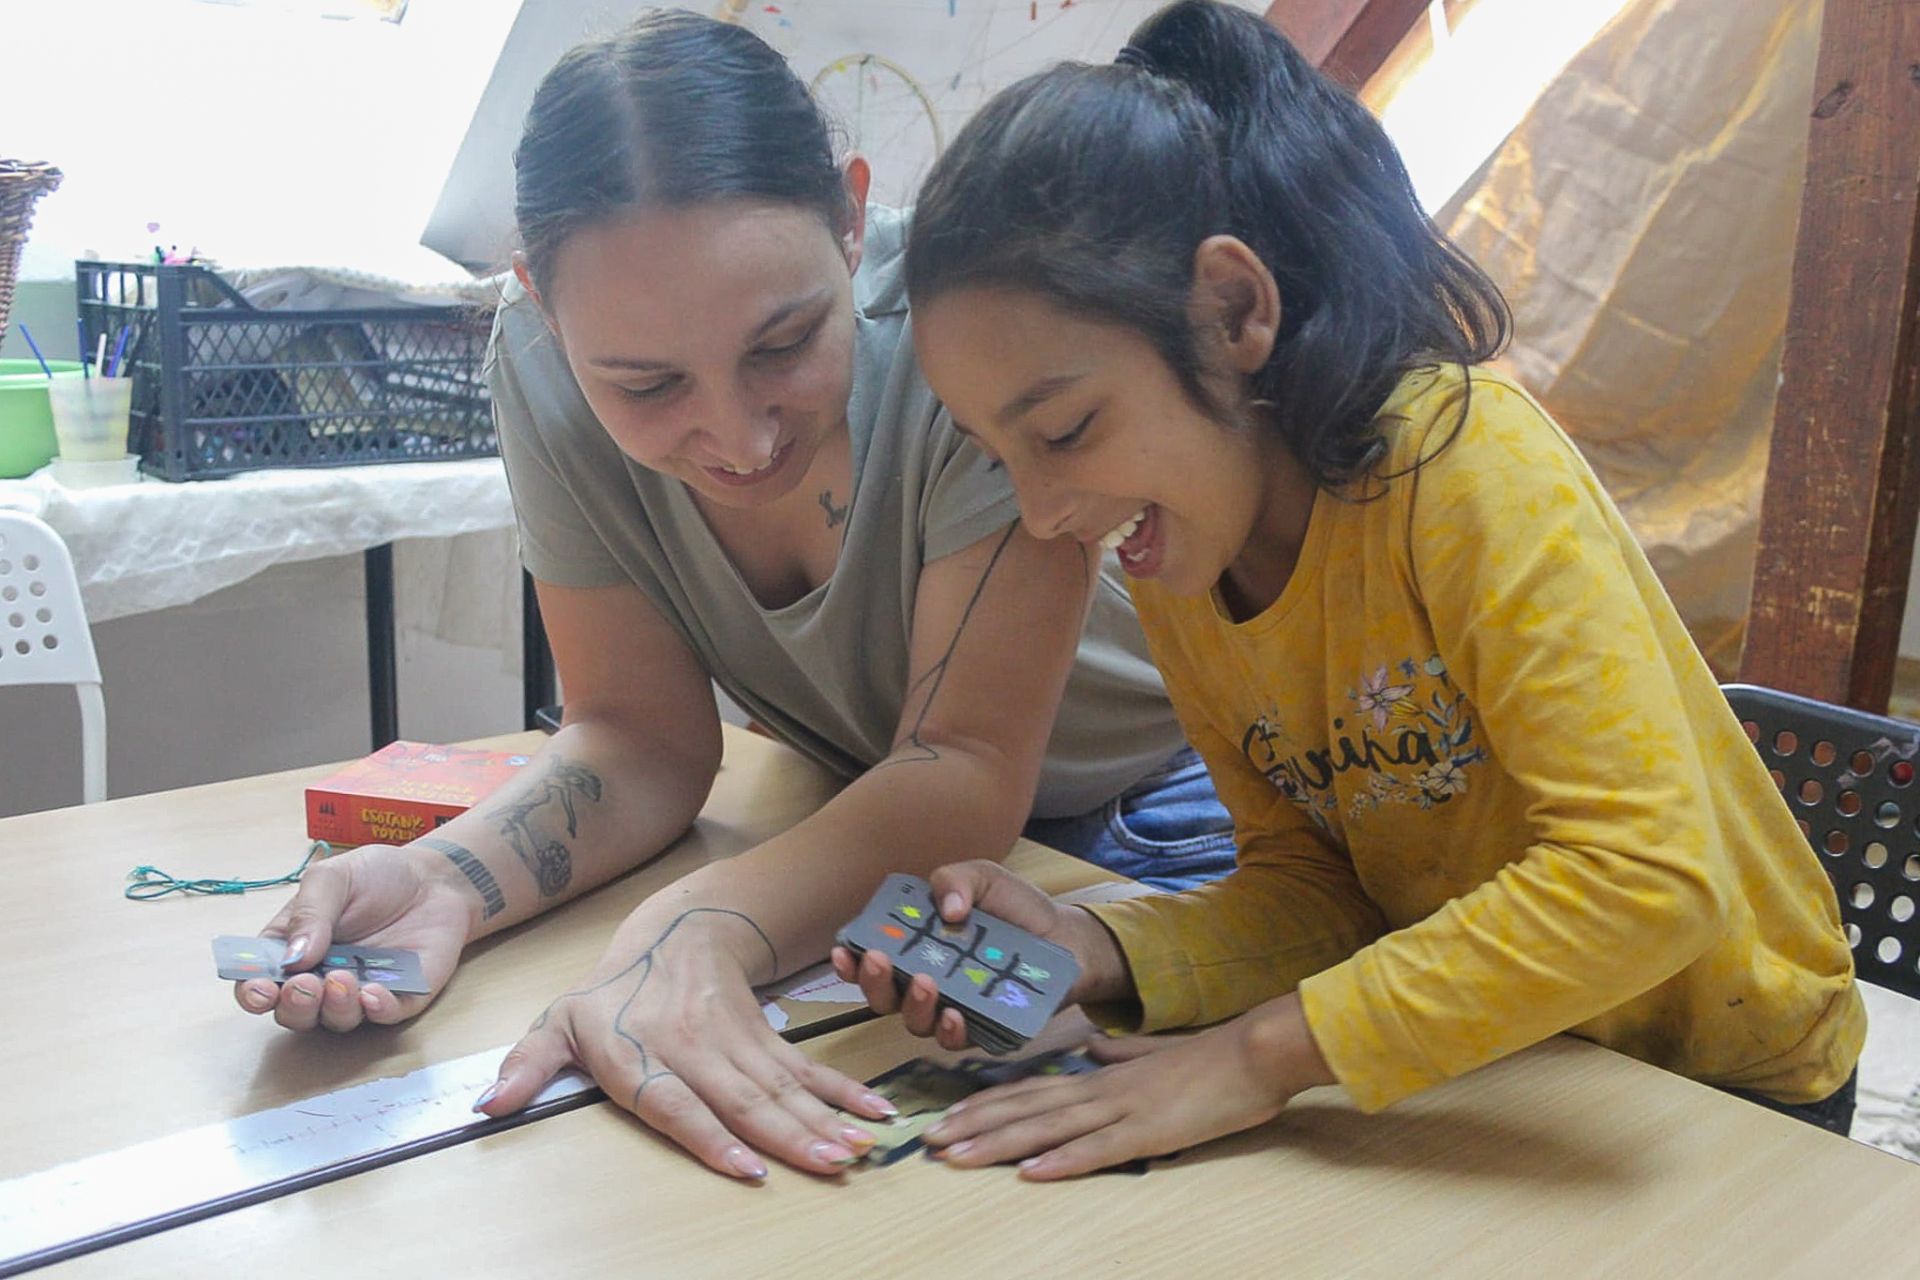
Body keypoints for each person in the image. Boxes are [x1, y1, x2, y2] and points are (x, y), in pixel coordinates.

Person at [835, 0, 1866, 1178]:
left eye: (1065, 429)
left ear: (1232, 311)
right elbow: (1320, 889)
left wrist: (1260, 1054)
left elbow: (1647, 880)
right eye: (995, 454)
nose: (1039, 511)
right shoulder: (1183, 558)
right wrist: (1099, 945)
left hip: (1725, 1084)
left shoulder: (1466, 466)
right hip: (1514, 1057)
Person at [229, 10, 1237, 1180]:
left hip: (1159, 809)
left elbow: (964, 763)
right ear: (544, 305)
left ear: (851, 219)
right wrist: (449, 877)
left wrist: (692, 925)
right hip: (896, 832)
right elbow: (640, 735)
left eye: (785, 342)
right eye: (647, 384)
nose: (740, 438)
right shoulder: (537, 360)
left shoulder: (969, 327)